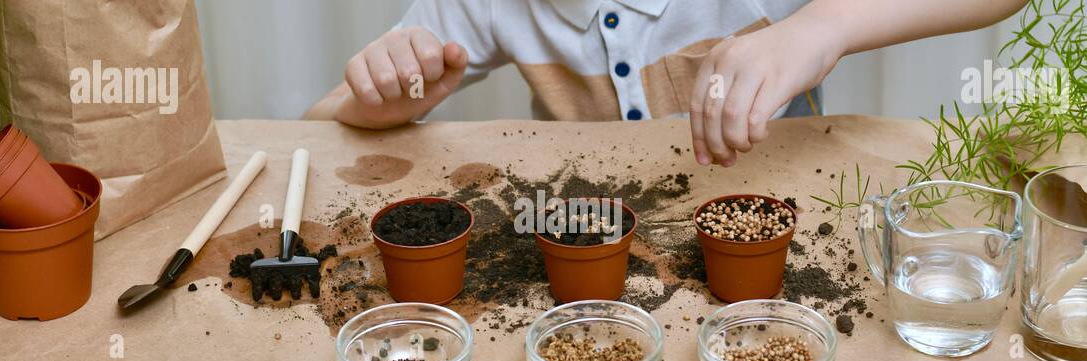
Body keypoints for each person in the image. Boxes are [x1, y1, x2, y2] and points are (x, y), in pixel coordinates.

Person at [306, 0, 1028, 167]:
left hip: (784, 236)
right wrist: (379, 103)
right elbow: (309, 132)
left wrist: (822, 28)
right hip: (591, 250)